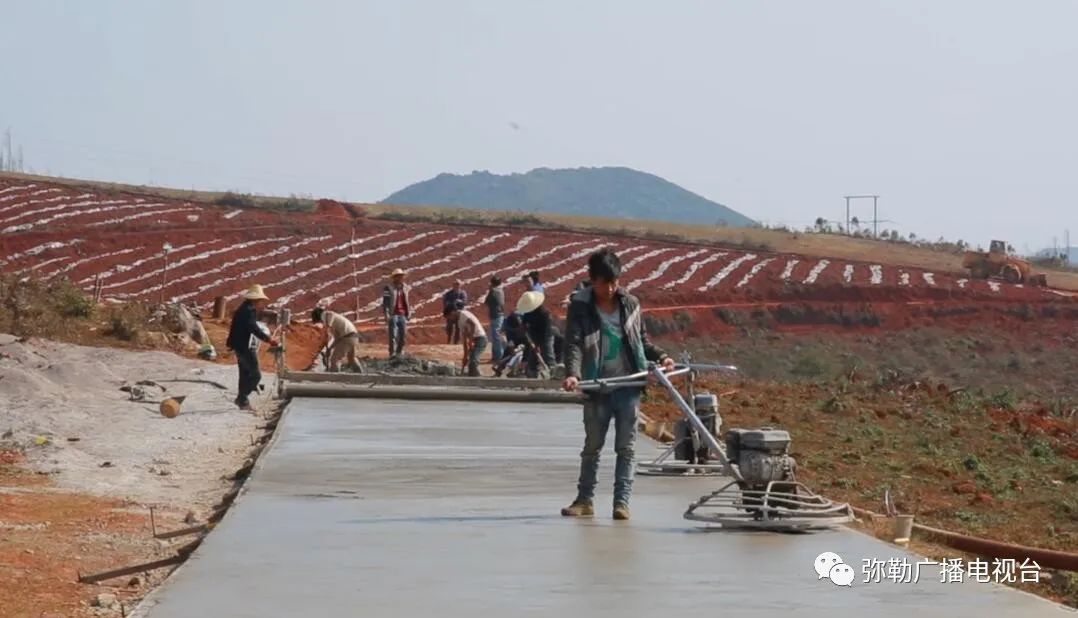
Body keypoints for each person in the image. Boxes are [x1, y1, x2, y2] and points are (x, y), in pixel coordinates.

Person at [560, 249, 675, 521]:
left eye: (615, 282)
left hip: (628, 386)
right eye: (605, 283)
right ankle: (584, 500)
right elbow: (574, 343)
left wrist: (662, 356)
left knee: (626, 448)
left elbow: (642, 342)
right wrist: (573, 374)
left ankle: (621, 503)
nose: (611, 288)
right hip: (597, 385)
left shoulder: (631, 304)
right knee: (592, 447)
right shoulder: (581, 305)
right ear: (592, 280)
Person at [225, 284, 278, 411]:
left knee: (244, 374)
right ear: (256, 300)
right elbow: (253, 328)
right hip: (245, 346)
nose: (262, 303)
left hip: (239, 345)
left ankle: (243, 401)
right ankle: (242, 398)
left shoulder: (244, 308)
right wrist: (269, 339)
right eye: (261, 301)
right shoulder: (249, 311)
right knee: (256, 375)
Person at [311, 307, 362, 372]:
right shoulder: (335, 322)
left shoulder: (326, 314)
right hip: (353, 336)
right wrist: (330, 348)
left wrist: (322, 343)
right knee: (352, 359)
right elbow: (337, 338)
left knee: (335, 359)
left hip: (347, 337)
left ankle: (334, 377)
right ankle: (361, 375)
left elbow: (327, 331)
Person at [517, 291, 555, 378]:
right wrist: (523, 327)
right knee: (532, 358)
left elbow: (545, 332)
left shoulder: (545, 313)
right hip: (533, 336)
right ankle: (532, 378)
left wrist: (538, 345)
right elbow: (524, 322)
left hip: (546, 337)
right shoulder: (529, 311)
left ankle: (554, 375)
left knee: (548, 356)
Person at [444, 300, 487, 377]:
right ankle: (472, 380)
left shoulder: (463, 314)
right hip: (474, 340)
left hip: (480, 339)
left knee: (473, 361)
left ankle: (479, 379)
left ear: (453, 312)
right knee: (470, 363)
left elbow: (472, 324)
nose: (450, 319)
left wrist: (470, 340)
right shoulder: (459, 323)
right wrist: (465, 356)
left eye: (450, 317)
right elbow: (465, 341)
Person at [381, 268, 410, 357]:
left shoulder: (405, 287)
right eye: (398, 276)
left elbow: (407, 300)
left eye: (401, 276)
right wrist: (386, 314)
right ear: (394, 278)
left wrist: (408, 312)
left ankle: (399, 352)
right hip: (393, 314)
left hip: (402, 314)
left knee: (403, 334)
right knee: (393, 334)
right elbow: (385, 302)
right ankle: (392, 353)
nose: (400, 278)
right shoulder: (388, 288)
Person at [484, 276, 506, 363]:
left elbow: (487, 301)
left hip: (496, 316)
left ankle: (499, 357)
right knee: (495, 336)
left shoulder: (494, 291)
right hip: (498, 315)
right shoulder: (500, 290)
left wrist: (490, 290)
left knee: (496, 337)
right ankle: (496, 356)